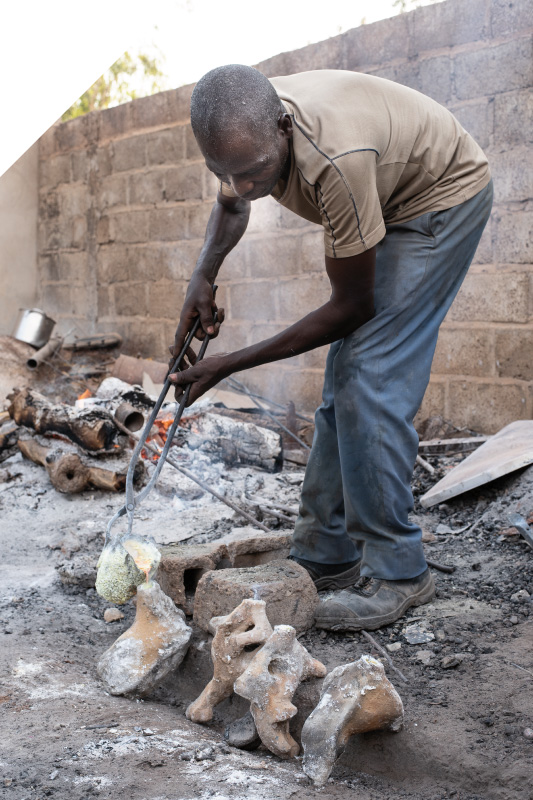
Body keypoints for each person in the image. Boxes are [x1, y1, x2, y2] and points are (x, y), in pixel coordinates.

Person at [168, 64, 493, 632]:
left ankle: (399, 571)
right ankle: (325, 554)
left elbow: (352, 308)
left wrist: (228, 365)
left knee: (368, 374)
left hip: (440, 198)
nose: (243, 187)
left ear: (284, 128)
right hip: (388, 194)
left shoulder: (335, 163)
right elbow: (230, 201)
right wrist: (203, 277)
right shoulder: (240, 138)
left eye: (254, 173)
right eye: (224, 172)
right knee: (348, 376)